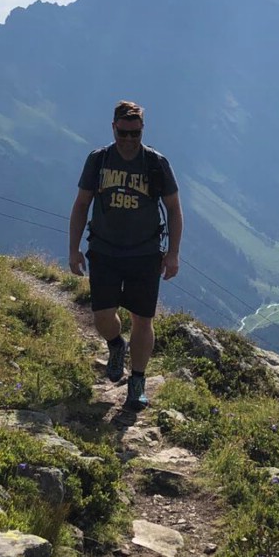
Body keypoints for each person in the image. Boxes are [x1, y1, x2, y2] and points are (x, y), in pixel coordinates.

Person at [68, 100, 182, 410]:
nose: (129, 140)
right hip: (104, 249)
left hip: (145, 252)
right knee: (103, 316)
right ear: (113, 128)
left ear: (143, 130)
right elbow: (81, 204)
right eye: (123, 133)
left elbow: (174, 208)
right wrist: (74, 249)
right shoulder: (99, 160)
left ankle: (137, 382)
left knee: (143, 320)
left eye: (136, 133)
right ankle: (116, 345)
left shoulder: (156, 163)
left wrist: (173, 253)